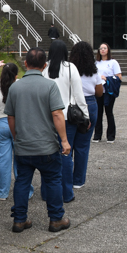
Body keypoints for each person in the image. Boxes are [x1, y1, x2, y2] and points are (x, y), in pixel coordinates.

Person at [5, 48, 72, 234]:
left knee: (22, 182)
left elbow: (10, 116)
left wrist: (16, 137)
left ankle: (19, 220)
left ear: (25, 63)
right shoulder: (50, 86)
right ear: (45, 66)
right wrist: (64, 140)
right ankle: (56, 219)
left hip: (23, 146)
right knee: (53, 181)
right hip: (47, 146)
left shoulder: (15, 87)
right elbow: (57, 114)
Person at [42, 40, 89, 203]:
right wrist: (86, 115)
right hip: (67, 118)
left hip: (47, 117)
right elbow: (78, 94)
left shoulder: (44, 68)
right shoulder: (70, 68)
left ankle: (46, 192)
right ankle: (66, 193)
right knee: (65, 154)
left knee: (47, 154)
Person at [68, 41, 103, 190]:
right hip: (90, 104)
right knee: (83, 145)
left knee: (67, 143)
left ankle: (66, 178)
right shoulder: (94, 71)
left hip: (71, 105)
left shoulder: (69, 70)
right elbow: (99, 93)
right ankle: (78, 180)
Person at [0, 63, 20, 201]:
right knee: (20, 159)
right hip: (18, 124)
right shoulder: (20, 87)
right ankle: (25, 190)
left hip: (2, 123)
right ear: (16, 75)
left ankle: (2, 192)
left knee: (3, 160)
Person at [94, 42, 121, 143]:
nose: (102, 50)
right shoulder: (96, 63)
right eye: (101, 48)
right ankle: (97, 135)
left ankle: (111, 136)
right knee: (98, 113)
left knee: (109, 112)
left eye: (104, 48)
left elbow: (119, 76)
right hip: (98, 90)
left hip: (108, 91)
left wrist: (107, 78)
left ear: (108, 50)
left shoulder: (113, 62)